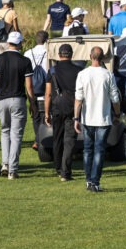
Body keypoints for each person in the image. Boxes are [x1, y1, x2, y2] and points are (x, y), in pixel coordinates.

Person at [0, 32, 36, 179]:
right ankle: (13, 169)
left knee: (5, 132)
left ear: (8, 43)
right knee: (16, 134)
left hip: (1, 100)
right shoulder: (25, 61)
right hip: (18, 100)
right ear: (20, 44)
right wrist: (32, 104)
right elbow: (29, 87)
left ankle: (5, 164)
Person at [73, 46, 121, 192]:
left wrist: (76, 117)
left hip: (87, 117)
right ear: (103, 58)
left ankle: (89, 180)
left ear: (90, 56)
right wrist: (117, 114)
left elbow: (78, 98)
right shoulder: (107, 74)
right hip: (103, 117)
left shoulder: (82, 74)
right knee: (99, 150)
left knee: (88, 149)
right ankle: (95, 181)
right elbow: (115, 98)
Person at [44, 43, 83, 181]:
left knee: (57, 138)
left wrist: (46, 113)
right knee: (69, 140)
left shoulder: (52, 71)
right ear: (71, 55)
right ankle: (65, 172)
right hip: (72, 108)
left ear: (59, 55)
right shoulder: (79, 71)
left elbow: (48, 94)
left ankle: (58, 167)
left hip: (56, 108)